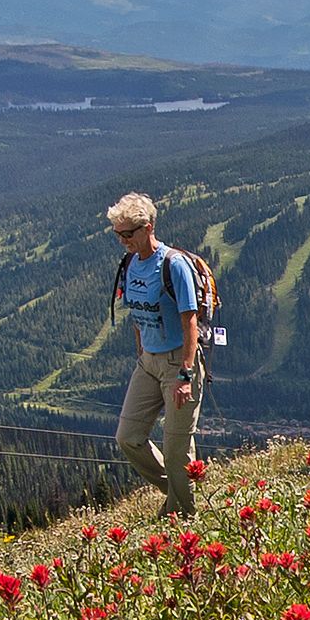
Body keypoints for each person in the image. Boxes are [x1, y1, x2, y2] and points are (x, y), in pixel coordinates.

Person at [105, 191, 202, 515]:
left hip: (178, 363)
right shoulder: (131, 263)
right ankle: (179, 490)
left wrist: (186, 375)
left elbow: (190, 322)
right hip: (148, 363)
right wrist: (141, 350)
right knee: (128, 437)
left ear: (148, 227)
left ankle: (184, 516)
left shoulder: (174, 265)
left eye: (128, 233)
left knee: (176, 451)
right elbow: (135, 311)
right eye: (118, 234)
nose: (122, 240)